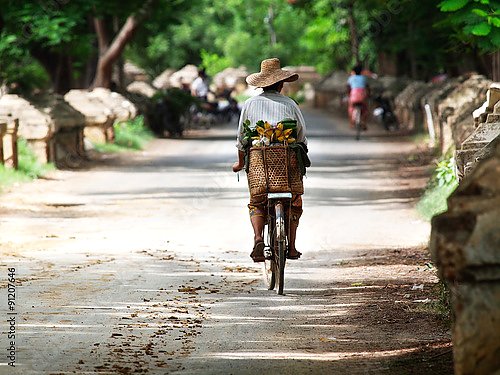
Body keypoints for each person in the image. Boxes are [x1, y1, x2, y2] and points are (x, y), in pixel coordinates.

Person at [232, 57, 307, 262]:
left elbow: (242, 139)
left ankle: (258, 238)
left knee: (256, 201)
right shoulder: (291, 104)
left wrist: (240, 163)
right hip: (287, 163)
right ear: (282, 84)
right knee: (294, 201)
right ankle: (291, 247)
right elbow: (301, 137)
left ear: (261, 84)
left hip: (259, 162)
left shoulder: (249, 104)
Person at [347, 64, 370, 129]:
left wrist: (349, 94)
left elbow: (348, 87)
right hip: (362, 96)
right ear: (361, 71)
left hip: (353, 96)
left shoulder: (351, 78)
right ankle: (364, 123)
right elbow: (367, 87)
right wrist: (369, 94)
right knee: (365, 109)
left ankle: (351, 123)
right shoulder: (364, 78)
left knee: (351, 108)